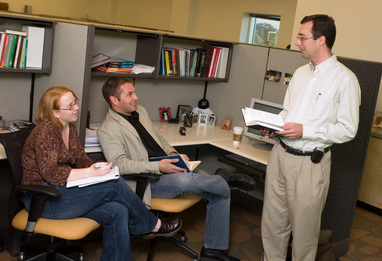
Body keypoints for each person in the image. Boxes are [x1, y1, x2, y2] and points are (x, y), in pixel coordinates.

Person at [97, 77, 255, 261]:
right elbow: (119, 164)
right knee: (188, 180)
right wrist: (158, 166)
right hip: (147, 179)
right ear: (114, 100)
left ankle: (213, 250)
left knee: (218, 190)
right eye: (130, 94)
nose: (136, 97)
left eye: (135, 92)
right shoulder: (108, 129)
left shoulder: (140, 111)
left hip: (167, 164)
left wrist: (173, 153)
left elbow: (158, 138)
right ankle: (224, 179)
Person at [21, 87, 182, 261]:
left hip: (64, 192)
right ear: (55, 113)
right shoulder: (46, 130)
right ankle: (151, 224)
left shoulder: (70, 127)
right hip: (43, 199)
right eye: (70, 106)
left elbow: (81, 158)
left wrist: (98, 170)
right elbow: (50, 174)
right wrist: (88, 173)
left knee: (118, 210)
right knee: (113, 185)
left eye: (75, 102)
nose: (76, 108)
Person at [260, 14, 361, 261]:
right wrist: (274, 126)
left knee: (304, 235)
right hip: (280, 155)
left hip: (309, 164)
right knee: (272, 226)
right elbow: (288, 111)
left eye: (302, 37)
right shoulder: (300, 73)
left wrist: (306, 130)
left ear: (321, 40)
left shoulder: (345, 79)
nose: (297, 42)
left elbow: (348, 129)